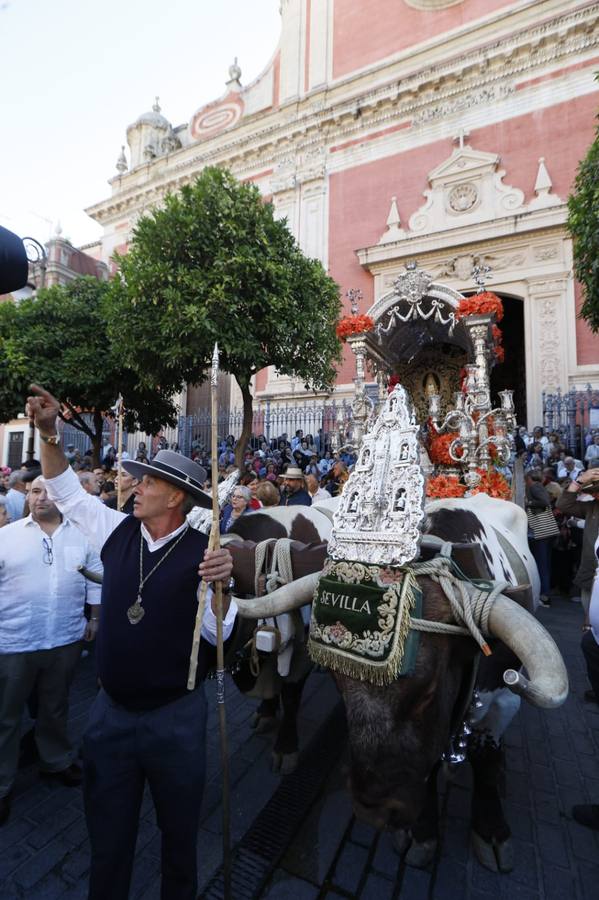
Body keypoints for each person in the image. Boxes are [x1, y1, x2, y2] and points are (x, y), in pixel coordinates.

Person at [26, 384, 235, 900]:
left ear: (176, 495)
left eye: (148, 481)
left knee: (178, 842)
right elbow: (65, 490)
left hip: (176, 721)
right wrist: (49, 433)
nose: (135, 486)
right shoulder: (114, 530)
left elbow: (219, 635)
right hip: (110, 717)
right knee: (108, 841)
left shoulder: (205, 553)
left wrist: (222, 588)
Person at [0, 475, 102, 826]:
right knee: (6, 716)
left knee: (55, 706)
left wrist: (95, 618)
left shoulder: (82, 536)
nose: (40, 497)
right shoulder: (6, 536)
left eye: (48, 491)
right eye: (34, 491)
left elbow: (96, 578)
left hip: (65, 638)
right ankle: (2, 784)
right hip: (14, 641)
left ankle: (55, 760)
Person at [556, 469, 599, 635]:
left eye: (597, 491)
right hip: (591, 573)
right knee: (591, 627)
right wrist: (579, 481)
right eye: (593, 491)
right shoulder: (592, 507)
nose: (594, 495)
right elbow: (563, 505)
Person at [525, 470, 555, 607]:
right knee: (545, 564)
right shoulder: (540, 486)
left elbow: (544, 501)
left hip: (541, 531)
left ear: (529, 479)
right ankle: (545, 593)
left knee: (542, 564)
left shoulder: (534, 487)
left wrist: (528, 503)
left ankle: (544, 595)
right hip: (547, 530)